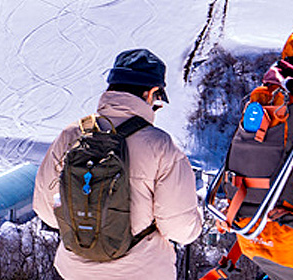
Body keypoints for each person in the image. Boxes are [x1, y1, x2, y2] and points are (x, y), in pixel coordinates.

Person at [33, 48, 203, 280]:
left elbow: (46, 210)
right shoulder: (161, 146)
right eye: (158, 100)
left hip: (75, 271)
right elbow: (180, 229)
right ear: (151, 92)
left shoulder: (71, 135)